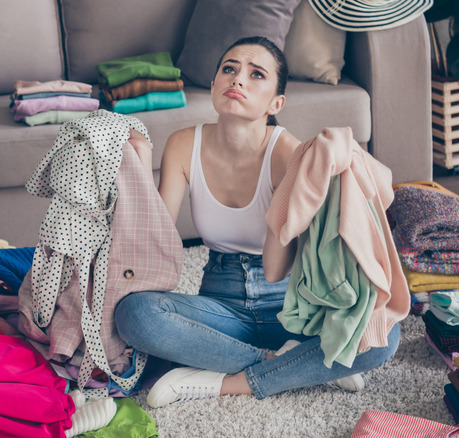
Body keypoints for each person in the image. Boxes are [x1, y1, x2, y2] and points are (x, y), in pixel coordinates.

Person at [115, 36, 401, 408]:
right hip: (221, 304)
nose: (238, 80)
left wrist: (296, 182)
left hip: (289, 308)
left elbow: (274, 268)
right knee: (136, 315)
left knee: (384, 335)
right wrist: (139, 162)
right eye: (229, 69)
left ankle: (226, 381)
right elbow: (157, 245)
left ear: (276, 103)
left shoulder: (290, 153)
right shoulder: (183, 144)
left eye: (256, 74)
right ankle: (296, 364)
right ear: (215, 85)